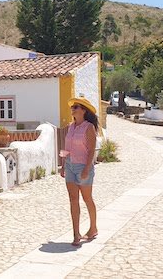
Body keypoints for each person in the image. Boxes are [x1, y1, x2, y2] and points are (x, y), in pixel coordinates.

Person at [59, 97, 99, 247]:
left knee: (87, 198)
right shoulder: (71, 127)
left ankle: (93, 227)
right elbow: (67, 148)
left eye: (76, 107)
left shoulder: (89, 127)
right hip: (69, 166)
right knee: (73, 200)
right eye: (72, 107)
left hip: (83, 166)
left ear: (83, 110)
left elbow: (91, 151)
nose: (73, 109)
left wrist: (86, 169)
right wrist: (63, 165)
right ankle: (76, 234)